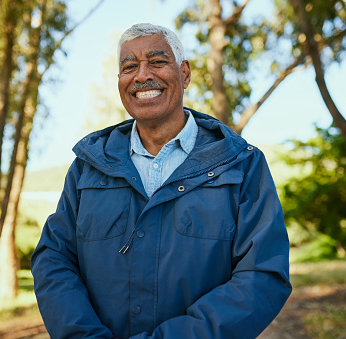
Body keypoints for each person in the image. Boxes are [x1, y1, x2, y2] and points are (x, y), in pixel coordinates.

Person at [31, 23, 291, 339]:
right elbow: (54, 261)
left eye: (157, 62)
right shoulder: (88, 169)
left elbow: (262, 275)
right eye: (129, 67)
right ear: (120, 82)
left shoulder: (242, 164)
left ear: (184, 73)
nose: (142, 75)